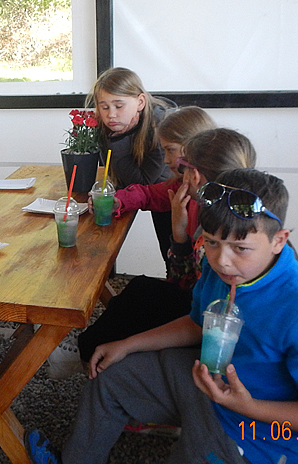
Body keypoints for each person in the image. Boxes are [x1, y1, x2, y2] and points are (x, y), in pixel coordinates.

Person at [26, 168, 298, 464]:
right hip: (206, 381)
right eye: (212, 242)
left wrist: (247, 407)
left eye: (240, 248)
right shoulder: (222, 271)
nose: (222, 260)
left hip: (257, 437)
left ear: (279, 241)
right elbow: (198, 322)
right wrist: (128, 344)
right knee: (111, 376)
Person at [77, 128, 257, 364]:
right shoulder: (233, 208)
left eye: (183, 166)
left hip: (217, 333)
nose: (170, 164)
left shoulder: (215, 234)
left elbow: (186, 287)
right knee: (140, 291)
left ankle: (90, 353)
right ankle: (90, 349)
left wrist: (178, 233)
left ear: (195, 176)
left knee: (139, 300)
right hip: (206, 309)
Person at [86, 67, 172, 259]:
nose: (111, 115)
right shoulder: (108, 125)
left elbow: (142, 183)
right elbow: (114, 172)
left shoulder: (160, 128)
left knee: (172, 256)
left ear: (140, 102)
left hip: (172, 198)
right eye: (104, 107)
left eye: (119, 106)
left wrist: (119, 139)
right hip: (148, 193)